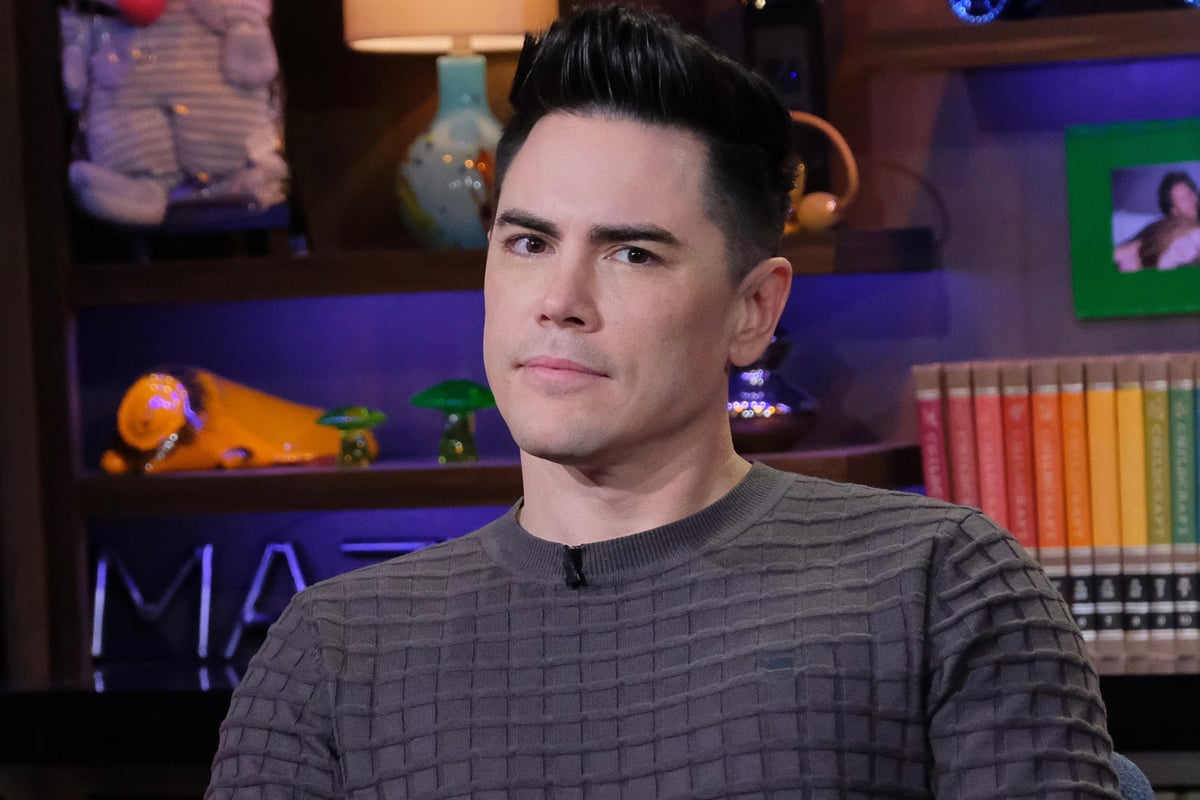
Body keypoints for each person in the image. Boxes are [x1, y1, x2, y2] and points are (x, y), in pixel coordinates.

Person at [205, 5, 1120, 798]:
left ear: (753, 310)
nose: (560, 300)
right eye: (528, 243)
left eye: (631, 253)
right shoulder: (333, 652)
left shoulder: (939, 585)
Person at [1113, 170, 1200, 271]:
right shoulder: (1162, 228)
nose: (1192, 200)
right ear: (1174, 210)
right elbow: (1127, 249)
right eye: (1183, 199)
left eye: (1191, 193)